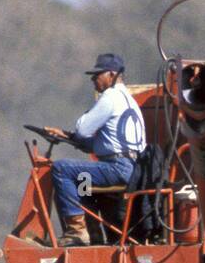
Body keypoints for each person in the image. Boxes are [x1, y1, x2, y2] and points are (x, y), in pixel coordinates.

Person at [42, 53, 147, 246]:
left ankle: (76, 231)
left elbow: (83, 129)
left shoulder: (110, 97)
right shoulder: (127, 99)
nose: (93, 80)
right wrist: (67, 136)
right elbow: (103, 144)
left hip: (118, 168)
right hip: (129, 167)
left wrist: (76, 133)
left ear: (112, 75)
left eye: (97, 75)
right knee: (83, 184)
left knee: (61, 168)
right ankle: (93, 233)